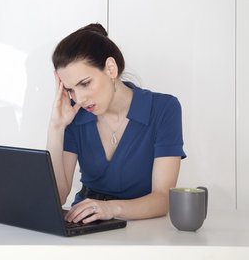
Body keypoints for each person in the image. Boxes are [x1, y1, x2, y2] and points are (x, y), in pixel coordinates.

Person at [46, 23, 186, 224]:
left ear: (111, 68)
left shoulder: (163, 109)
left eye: (85, 84)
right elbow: (57, 197)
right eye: (70, 90)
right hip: (86, 225)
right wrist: (56, 127)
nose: (80, 98)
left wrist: (110, 208)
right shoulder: (74, 115)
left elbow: (163, 199)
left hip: (144, 226)